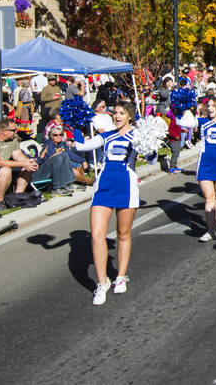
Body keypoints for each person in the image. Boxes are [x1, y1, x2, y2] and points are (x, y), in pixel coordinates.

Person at [72, 102, 139, 305]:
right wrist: (76, 124)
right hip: (104, 186)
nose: (117, 116)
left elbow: (152, 158)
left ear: (130, 116)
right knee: (96, 235)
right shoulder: (106, 136)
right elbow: (81, 146)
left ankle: (120, 276)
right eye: (115, 113)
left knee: (123, 234)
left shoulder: (137, 135)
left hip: (127, 186)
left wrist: (151, 149)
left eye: (121, 113)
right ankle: (102, 283)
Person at [179, 96, 216, 241]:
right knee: (209, 197)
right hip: (205, 163)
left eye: (213, 105)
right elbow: (184, 122)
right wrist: (186, 108)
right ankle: (210, 229)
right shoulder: (202, 121)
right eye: (208, 106)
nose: (210, 108)